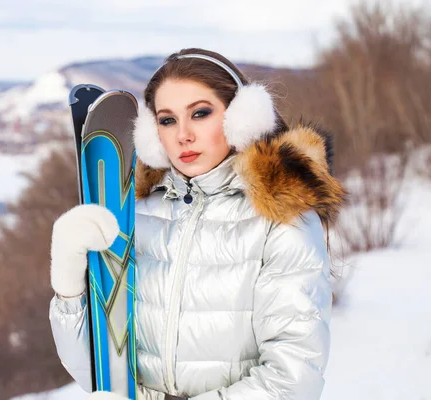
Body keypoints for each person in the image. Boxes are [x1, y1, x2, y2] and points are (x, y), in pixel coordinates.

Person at [48, 48, 346, 400]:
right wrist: (69, 290)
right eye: (167, 120)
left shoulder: (280, 219)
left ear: (240, 118)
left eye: (200, 114)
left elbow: (292, 379)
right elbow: (97, 370)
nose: (183, 135)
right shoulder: (136, 215)